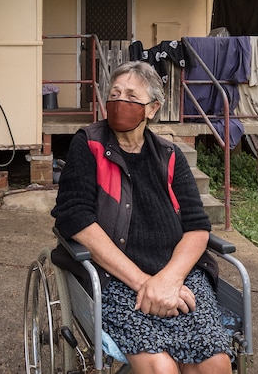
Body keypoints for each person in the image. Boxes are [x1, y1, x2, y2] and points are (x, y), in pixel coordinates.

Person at [51, 61, 232, 374]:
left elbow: (197, 227)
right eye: (115, 93)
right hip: (117, 277)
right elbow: (75, 217)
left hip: (179, 275)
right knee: (160, 367)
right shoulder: (89, 145)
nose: (120, 101)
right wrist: (145, 283)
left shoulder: (170, 155)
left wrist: (169, 279)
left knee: (213, 363)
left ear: (152, 108)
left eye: (131, 96)